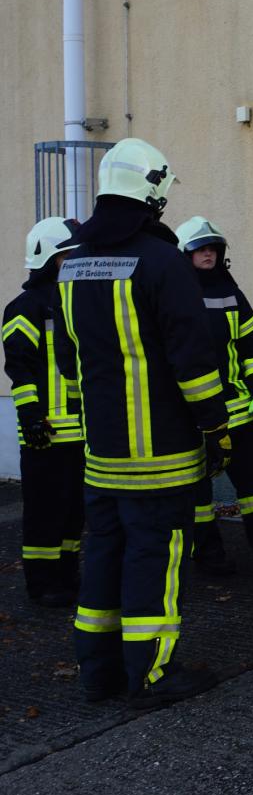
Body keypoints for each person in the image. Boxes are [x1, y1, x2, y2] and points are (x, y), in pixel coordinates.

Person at [54, 138, 231, 706]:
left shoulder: (72, 265)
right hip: (162, 456)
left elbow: (67, 360)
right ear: (153, 194)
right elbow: (193, 360)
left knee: (104, 556)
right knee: (154, 559)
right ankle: (151, 674)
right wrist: (216, 428)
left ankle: (98, 672)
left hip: (101, 457)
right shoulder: (162, 262)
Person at [174, 216, 253, 570]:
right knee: (197, 492)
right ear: (185, 255)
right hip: (194, 416)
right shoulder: (173, 294)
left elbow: (252, 346)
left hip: (240, 411)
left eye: (213, 248)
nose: (208, 254)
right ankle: (207, 555)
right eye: (200, 249)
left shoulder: (232, 293)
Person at [2, 217, 85, 607]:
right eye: (68, 256)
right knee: (44, 513)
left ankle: (67, 576)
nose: (75, 262)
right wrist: (30, 416)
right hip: (45, 431)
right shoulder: (24, 308)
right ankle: (42, 583)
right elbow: (19, 368)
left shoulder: (76, 302)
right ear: (49, 258)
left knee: (73, 512)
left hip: (80, 431)